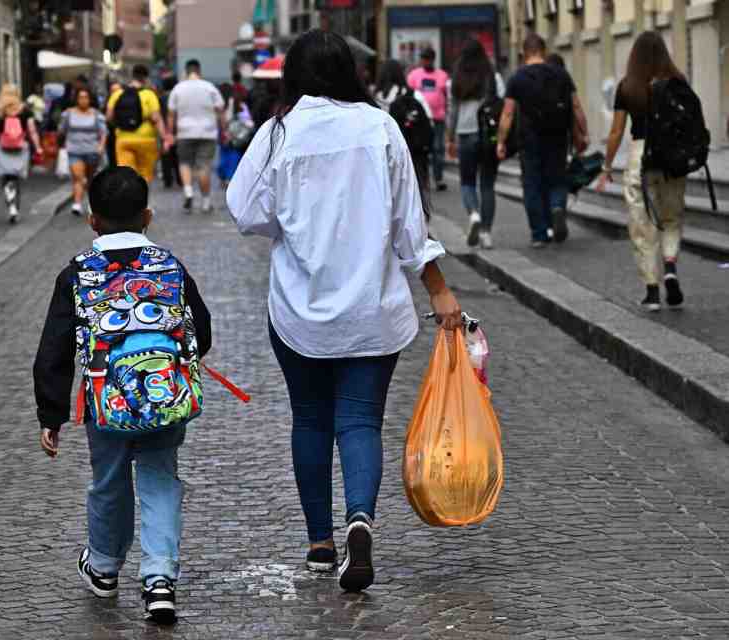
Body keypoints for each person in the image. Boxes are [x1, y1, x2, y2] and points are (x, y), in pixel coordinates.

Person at [227, 29, 462, 593]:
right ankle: (361, 517)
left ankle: (319, 543)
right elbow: (411, 222)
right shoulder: (380, 127)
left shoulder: (278, 134)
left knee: (310, 420)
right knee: (360, 421)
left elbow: (244, 210)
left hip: (298, 308)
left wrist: (291, 216)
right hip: (371, 306)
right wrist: (438, 290)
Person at [33, 166, 211, 626]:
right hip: (165, 397)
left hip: (103, 401)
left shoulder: (76, 273)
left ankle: (105, 566)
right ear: (148, 215)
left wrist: (51, 413)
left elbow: (54, 347)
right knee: (160, 478)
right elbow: (201, 328)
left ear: (92, 220)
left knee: (108, 481)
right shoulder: (169, 265)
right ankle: (159, 580)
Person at [596, 31, 687, 311]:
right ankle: (670, 265)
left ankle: (651, 290)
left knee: (641, 225)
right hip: (672, 159)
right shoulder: (677, 82)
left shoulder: (628, 87)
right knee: (671, 217)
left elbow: (615, 131)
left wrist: (607, 167)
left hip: (640, 157)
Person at [497, 33, 589, 247]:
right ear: (543, 51)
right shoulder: (561, 74)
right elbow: (576, 107)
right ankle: (557, 206)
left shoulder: (518, 78)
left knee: (532, 185)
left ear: (524, 53)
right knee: (557, 179)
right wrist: (584, 134)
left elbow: (508, 114)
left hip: (529, 140)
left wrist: (501, 141)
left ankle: (539, 234)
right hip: (557, 137)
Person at [446, 39, 505, 249]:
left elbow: (452, 110)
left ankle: (473, 215)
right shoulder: (493, 77)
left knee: (467, 182)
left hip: (465, 133)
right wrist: (503, 137)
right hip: (488, 136)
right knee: (487, 184)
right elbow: (503, 107)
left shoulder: (457, 78)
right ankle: (486, 233)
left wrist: (450, 138)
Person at [167, 59, 227, 213]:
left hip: (184, 132)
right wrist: (224, 130)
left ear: (186, 72)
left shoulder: (178, 89)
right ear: (199, 71)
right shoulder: (210, 88)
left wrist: (169, 134)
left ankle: (188, 191)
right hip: (208, 132)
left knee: (185, 163)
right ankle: (206, 202)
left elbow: (171, 114)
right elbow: (221, 111)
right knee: (204, 166)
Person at [106, 65, 173, 183]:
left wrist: (120, 125)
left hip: (123, 139)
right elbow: (156, 118)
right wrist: (165, 138)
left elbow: (109, 117)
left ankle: (130, 198)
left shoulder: (117, 94)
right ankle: (141, 199)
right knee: (144, 175)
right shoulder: (149, 95)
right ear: (145, 78)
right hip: (146, 140)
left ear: (133, 76)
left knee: (127, 174)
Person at [0, 84, 43, 225]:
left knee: (6, 177)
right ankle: (14, 205)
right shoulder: (24, 110)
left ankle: (10, 203)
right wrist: (37, 147)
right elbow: (32, 130)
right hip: (20, 147)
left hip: (3, 146)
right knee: (16, 178)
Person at [59, 87, 108, 217]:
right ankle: (77, 203)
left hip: (92, 151)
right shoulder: (68, 114)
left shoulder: (96, 115)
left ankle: (92, 203)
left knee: (90, 179)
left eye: (86, 97)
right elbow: (62, 131)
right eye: (80, 97)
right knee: (78, 177)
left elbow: (103, 132)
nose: (83, 100)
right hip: (74, 150)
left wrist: (101, 146)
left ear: (90, 99)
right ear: (76, 99)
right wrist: (62, 144)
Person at [407, 47, 450, 191]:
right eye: (423, 58)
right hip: (420, 120)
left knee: (438, 148)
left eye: (428, 58)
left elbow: (446, 96)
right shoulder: (414, 75)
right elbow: (409, 96)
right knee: (421, 149)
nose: (425, 61)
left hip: (438, 118)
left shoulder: (442, 75)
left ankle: (438, 178)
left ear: (433, 59)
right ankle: (422, 180)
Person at [216, 83, 253, 187]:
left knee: (223, 155)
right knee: (234, 155)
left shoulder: (220, 104)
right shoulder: (238, 102)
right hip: (236, 134)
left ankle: (224, 176)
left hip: (223, 132)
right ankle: (230, 177)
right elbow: (247, 118)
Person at [159, 76, 182, 188]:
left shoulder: (161, 98)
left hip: (164, 129)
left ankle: (168, 180)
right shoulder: (178, 97)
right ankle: (180, 179)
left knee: (165, 156)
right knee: (178, 156)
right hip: (178, 130)